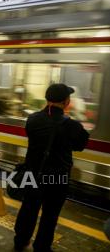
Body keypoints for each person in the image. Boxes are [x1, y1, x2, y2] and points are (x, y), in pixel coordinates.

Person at [14, 83, 89, 252]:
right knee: (50, 214)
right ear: (66, 101)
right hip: (58, 178)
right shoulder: (72, 126)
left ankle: (20, 241)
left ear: (47, 99)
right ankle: (42, 246)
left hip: (33, 174)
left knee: (28, 208)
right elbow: (81, 145)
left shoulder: (32, 119)